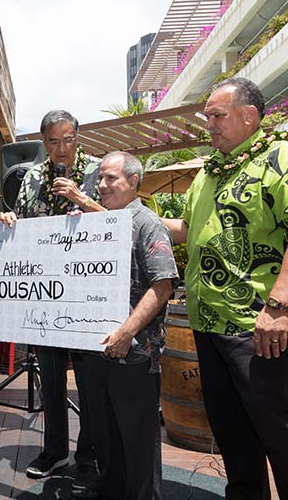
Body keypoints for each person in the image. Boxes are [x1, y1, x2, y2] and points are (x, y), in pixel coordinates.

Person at [163, 77, 288, 500]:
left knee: (278, 430)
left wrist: (277, 306)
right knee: (232, 430)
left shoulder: (286, 159)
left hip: (259, 324)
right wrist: (121, 215)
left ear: (249, 116)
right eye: (208, 117)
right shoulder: (208, 174)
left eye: (217, 115)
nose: (209, 125)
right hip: (208, 322)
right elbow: (185, 230)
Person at [0, 109, 104, 489]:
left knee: (91, 382)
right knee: (51, 379)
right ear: (44, 143)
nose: (62, 149)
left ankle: (88, 454)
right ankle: (54, 448)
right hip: (45, 296)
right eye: (53, 142)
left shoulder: (98, 171)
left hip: (88, 295)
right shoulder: (29, 177)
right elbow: (25, 224)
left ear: (78, 137)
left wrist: (81, 199)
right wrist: (10, 221)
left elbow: (116, 221)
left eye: (68, 139)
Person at [73, 152, 176, 500]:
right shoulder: (99, 223)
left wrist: (127, 332)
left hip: (134, 351)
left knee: (138, 438)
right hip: (97, 349)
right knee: (105, 433)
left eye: (111, 179)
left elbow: (163, 286)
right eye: (100, 178)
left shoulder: (148, 224)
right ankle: (111, 489)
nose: (101, 186)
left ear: (133, 183)